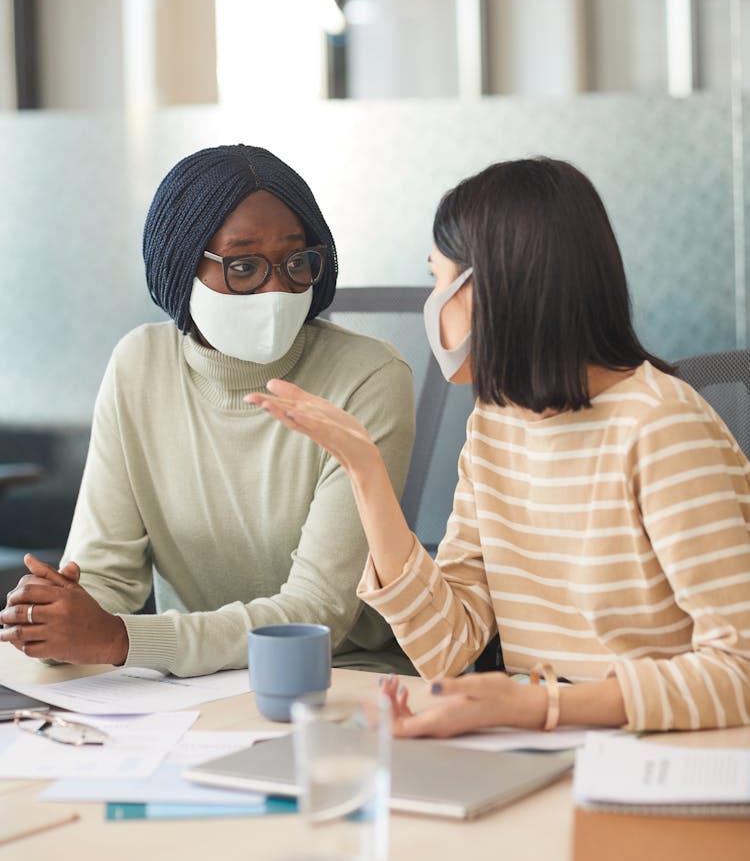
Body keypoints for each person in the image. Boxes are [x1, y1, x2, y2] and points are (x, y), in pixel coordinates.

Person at [247, 157, 750, 735]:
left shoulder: (663, 428)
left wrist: (541, 708)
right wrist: (366, 473)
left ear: (492, 288)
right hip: (545, 748)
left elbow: (738, 670)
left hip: (667, 754)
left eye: (440, 280)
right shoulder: (495, 426)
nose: (431, 303)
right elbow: (449, 648)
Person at [0, 144, 415, 676]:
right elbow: (107, 577)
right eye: (243, 266)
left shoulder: (369, 378)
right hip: (186, 689)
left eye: (296, 262)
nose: (277, 289)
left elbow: (320, 611)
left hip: (344, 675)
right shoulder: (139, 365)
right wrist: (57, 618)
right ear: (181, 264)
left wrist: (120, 641)